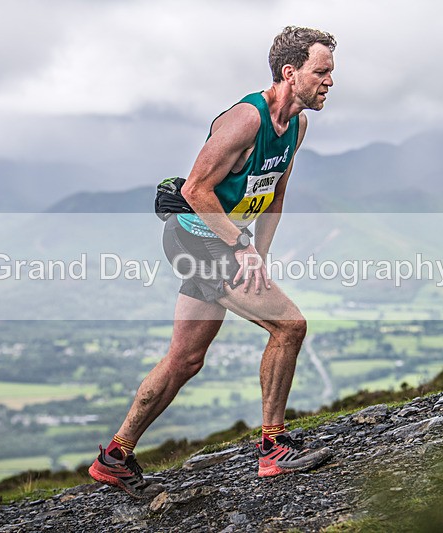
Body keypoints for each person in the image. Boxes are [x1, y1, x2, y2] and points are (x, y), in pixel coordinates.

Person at [89, 26, 336, 499]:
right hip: (195, 239)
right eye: (321, 72)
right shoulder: (246, 120)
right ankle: (274, 448)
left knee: (185, 359)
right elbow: (194, 190)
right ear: (291, 72)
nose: (329, 82)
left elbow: (276, 193)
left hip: (223, 243)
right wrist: (241, 247)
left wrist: (258, 256)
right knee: (289, 326)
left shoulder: (298, 126)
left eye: (331, 73)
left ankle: (115, 457)